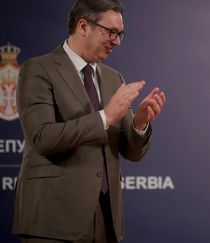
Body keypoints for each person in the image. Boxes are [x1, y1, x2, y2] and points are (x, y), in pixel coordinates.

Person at [12, 0, 165, 242]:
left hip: (106, 219)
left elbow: (132, 153)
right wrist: (105, 116)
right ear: (83, 26)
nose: (117, 41)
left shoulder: (114, 78)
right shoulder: (37, 70)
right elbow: (42, 138)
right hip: (52, 220)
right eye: (111, 32)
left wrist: (139, 124)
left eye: (120, 34)